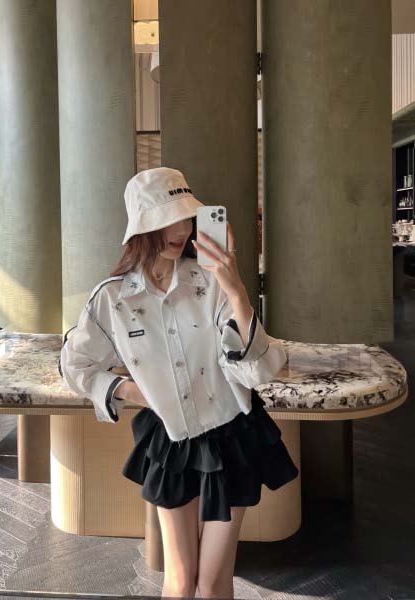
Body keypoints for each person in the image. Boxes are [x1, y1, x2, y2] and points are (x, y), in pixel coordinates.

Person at [60, 167, 299, 599]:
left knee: (213, 582)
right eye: (167, 219)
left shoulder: (211, 282)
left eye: (186, 218)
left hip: (232, 434)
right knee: (180, 579)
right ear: (142, 225)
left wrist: (237, 289)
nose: (181, 230)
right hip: (170, 442)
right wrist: (132, 392)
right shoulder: (113, 298)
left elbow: (258, 371)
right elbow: (74, 365)